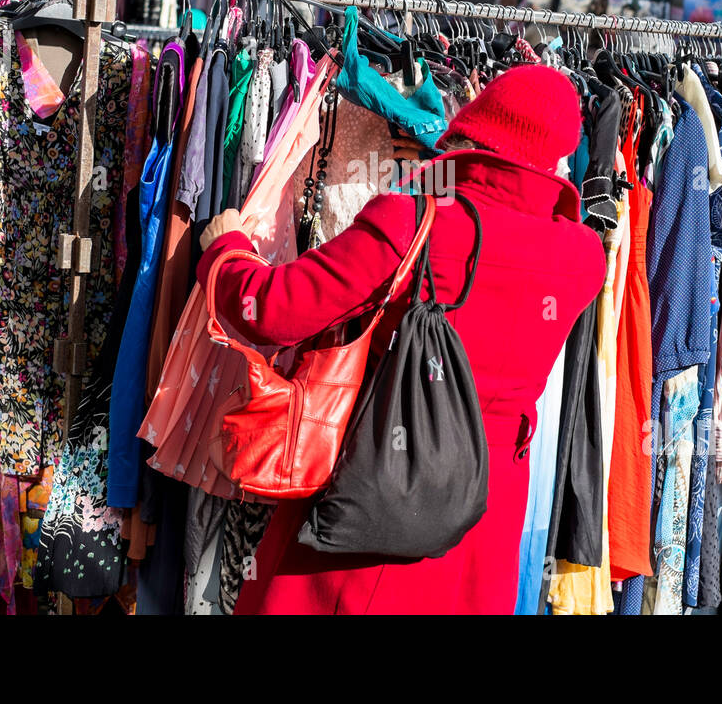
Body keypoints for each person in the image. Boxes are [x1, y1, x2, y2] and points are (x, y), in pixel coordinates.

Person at [196, 64, 606, 614]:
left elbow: (273, 312)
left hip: (382, 484)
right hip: (482, 507)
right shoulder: (583, 258)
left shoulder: (413, 221)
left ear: (473, 133)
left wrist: (226, 255)